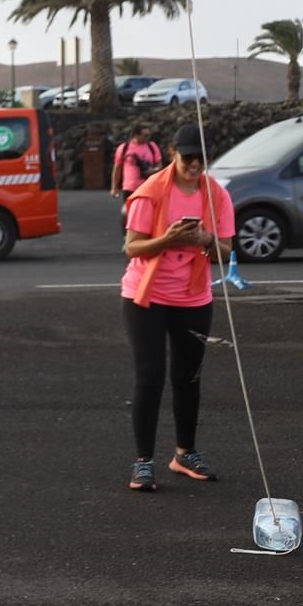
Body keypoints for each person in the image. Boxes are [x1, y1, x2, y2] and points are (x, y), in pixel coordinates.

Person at [119, 123, 233, 491]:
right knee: (150, 376)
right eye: (188, 157)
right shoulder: (149, 192)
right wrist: (167, 238)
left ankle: (185, 453)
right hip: (146, 296)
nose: (195, 164)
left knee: (188, 376)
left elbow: (226, 252)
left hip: (193, 295)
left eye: (201, 158)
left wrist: (204, 239)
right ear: (172, 153)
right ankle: (143, 462)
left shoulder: (217, 196)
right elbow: (132, 247)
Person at [110, 122, 163, 208]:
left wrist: (153, 170)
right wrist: (114, 187)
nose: (148, 138)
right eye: (145, 135)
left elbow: (160, 166)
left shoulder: (152, 146)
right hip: (130, 188)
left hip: (148, 187)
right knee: (129, 214)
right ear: (136, 135)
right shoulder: (124, 148)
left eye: (149, 135)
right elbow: (117, 169)